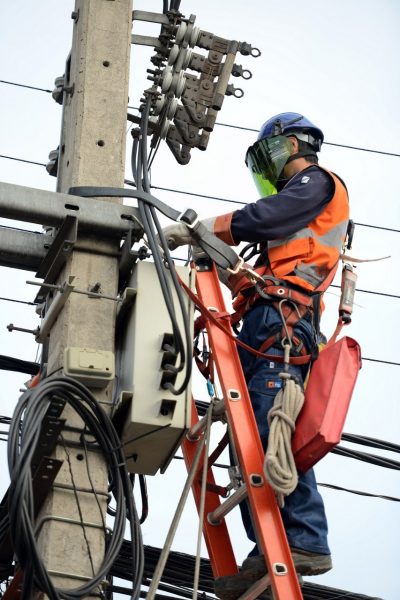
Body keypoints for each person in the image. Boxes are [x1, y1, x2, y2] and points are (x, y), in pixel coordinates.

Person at [163, 112, 349, 599]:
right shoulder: (292, 221)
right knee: (249, 443)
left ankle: (306, 539)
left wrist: (213, 228)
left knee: (272, 430)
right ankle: (265, 547)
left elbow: (265, 217)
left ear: (289, 146)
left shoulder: (316, 183)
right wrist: (230, 272)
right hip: (267, 319)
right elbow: (266, 271)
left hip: (283, 326)